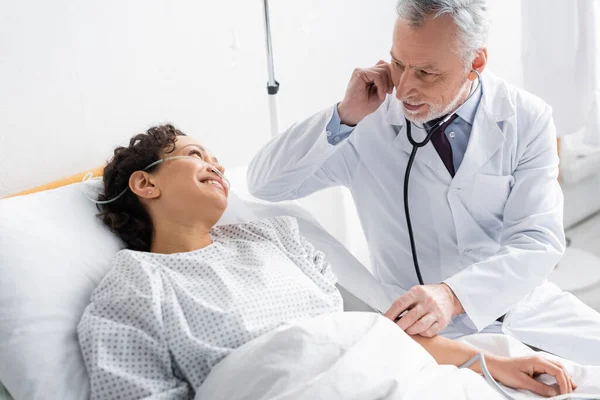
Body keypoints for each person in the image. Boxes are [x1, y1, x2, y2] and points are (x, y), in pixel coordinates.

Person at [77, 125, 575, 399]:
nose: (217, 164)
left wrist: (495, 364)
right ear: (146, 184)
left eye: (214, 156)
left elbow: (371, 337)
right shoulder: (136, 284)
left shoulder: (274, 237)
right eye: (193, 154)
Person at [246, 0, 600, 365]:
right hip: (424, 329)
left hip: (524, 304)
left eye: (427, 73)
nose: (404, 90)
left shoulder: (526, 117)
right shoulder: (367, 123)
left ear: (475, 63)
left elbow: (537, 240)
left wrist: (453, 294)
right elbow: (264, 183)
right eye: (399, 64)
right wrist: (345, 114)